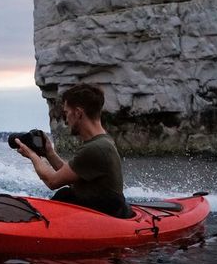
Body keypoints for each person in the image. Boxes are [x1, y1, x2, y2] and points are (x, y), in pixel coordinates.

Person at [15, 83, 132, 218]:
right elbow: (73, 173)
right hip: (107, 210)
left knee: (64, 195)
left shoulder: (96, 148)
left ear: (78, 113)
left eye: (66, 113)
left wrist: (32, 154)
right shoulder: (103, 141)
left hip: (104, 219)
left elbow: (52, 181)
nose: (66, 120)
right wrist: (49, 153)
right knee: (66, 194)